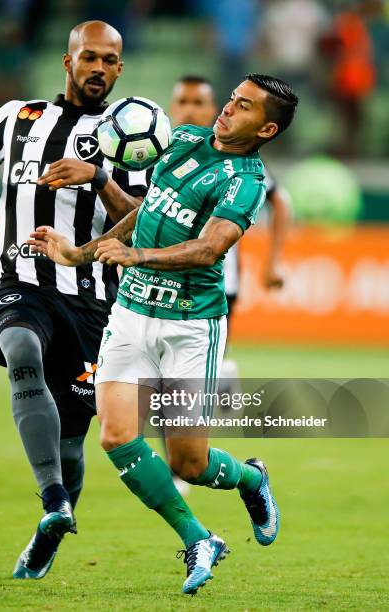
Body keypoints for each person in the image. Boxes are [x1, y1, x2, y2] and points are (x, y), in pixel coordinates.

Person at [27, 74, 299, 594]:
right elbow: (142, 215)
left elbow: (208, 249)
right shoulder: (183, 141)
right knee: (115, 435)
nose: (227, 108)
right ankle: (198, 538)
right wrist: (78, 252)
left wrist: (137, 257)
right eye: (232, 97)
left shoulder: (245, 181)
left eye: (243, 107)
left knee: (189, 464)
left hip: (190, 327)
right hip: (130, 315)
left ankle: (251, 478)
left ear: (265, 128)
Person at [0, 20, 149, 580]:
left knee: (73, 442)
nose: (98, 68)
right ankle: (54, 499)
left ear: (120, 68)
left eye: (109, 60)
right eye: (89, 58)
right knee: (21, 351)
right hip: (18, 278)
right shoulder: (17, 117)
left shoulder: (135, 132)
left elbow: (144, 221)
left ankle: (52, 524)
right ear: (68, 61)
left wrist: (99, 176)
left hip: (92, 298)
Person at [170, 75, 291, 403]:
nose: (190, 110)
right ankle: (218, 375)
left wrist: (273, 263)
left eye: (198, 103)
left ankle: (213, 379)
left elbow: (280, 200)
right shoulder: (166, 150)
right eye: (183, 102)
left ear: (211, 108)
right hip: (160, 276)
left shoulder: (241, 164)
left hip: (218, 279)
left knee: (182, 384)